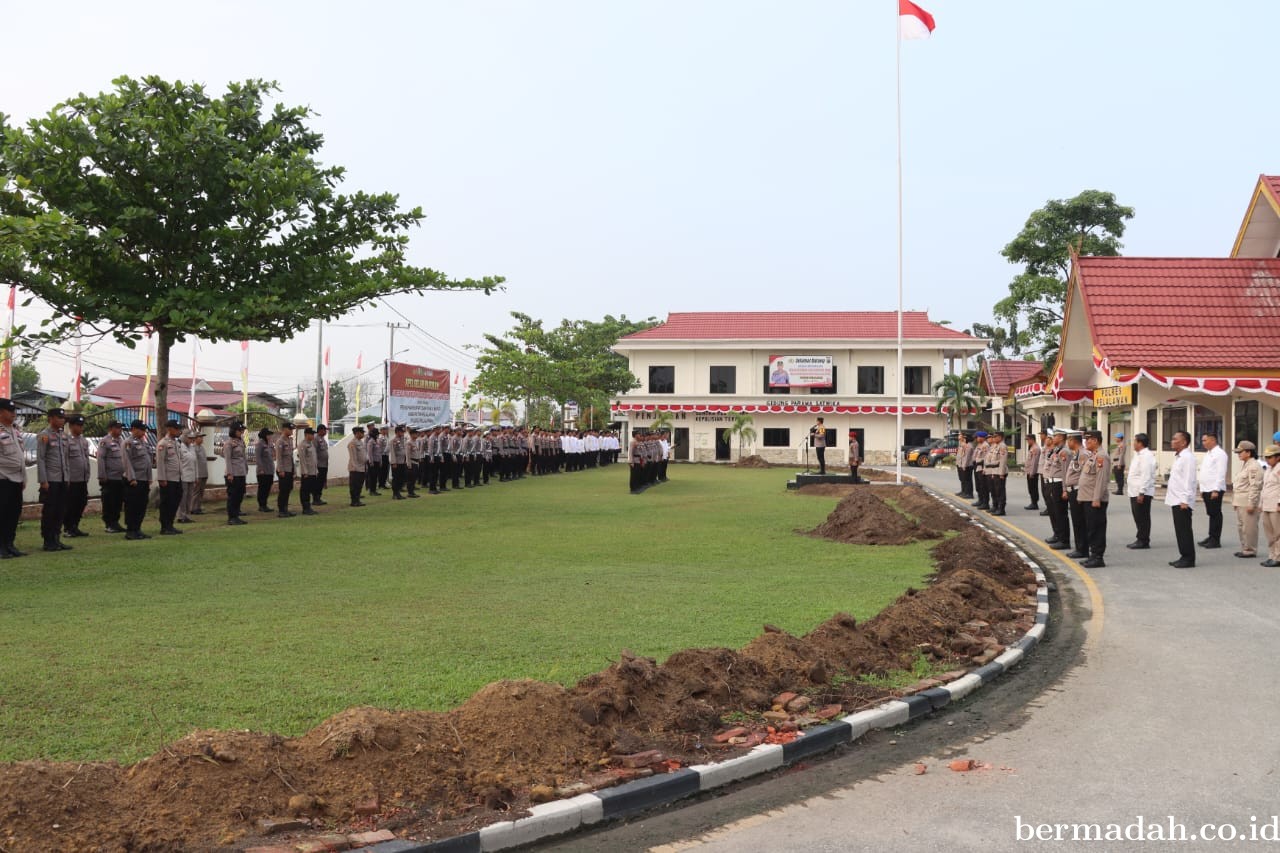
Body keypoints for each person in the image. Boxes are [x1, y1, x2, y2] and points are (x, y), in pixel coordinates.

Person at [36, 407, 73, 552]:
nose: (62, 420)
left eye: (63, 418)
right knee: (50, 511)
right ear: (50, 418)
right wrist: (43, 480)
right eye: (59, 417)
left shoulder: (64, 436)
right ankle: (48, 540)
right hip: (51, 479)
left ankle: (57, 538)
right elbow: (41, 459)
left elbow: (66, 458)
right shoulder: (44, 435)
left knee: (61, 510)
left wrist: (68, 477)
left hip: (63, 479)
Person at [1077, 430, 1110, 568]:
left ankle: (1098, 557)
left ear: (1096, 441)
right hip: (1087, 498)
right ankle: (1093, 555)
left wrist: (1096, 498)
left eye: (1088, 441)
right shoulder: (1093, 456)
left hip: (1094, 500)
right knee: (1090, 528)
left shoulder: (1102, 456)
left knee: (1097, 529)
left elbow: (1101, 480)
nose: (1086, 443)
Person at [1166, 430, 1198, 568]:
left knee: (1184, 530)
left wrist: (1185, 499)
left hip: (1182, 501)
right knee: (1180, 530)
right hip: (1176, 499)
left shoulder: (1187, 458)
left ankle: (1188, 558)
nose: (1172, 441)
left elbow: (1189, 480)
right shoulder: (1179, 457)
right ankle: (1184, 555)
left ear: (1184, 442)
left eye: (1175, 439)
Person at [0, 398, 27, 558]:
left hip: (17, 479)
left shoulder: (15, 430)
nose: (13, 414)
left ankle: (9, 544)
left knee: (13, 513)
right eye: (10, 411)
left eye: (14, 411)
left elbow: (20, 456)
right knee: (2, 513)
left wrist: (24, 477)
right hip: (2, 479)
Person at [1231, 440, 1263, 559]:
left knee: (1249, 527)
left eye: (1240, 452)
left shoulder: (1254, 466)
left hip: (1247, 501)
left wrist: (1252, 503)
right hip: (1240, 501)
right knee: (1241, 526)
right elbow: (1240, 485)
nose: (1238, 454)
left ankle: (1250, 549)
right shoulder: (1246, 464)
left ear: (1248, 452)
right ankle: (1245, 548)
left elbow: (1255, 486)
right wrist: (1235, 501)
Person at [1125, 432, 1156, 550]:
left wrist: (1142, 492)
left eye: (1135, 441)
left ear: (1140, 443)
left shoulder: (1146, 456)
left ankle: (1143, 540)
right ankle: (1140, 537)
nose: (1133, 443)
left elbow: (1146, 475)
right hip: (1134, 491)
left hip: (1141, 492)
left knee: (1142, 516)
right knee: (1138, 516)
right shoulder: (1138, 455)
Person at [97, 420, 129, 534]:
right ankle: (109, 524)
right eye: (117, 427)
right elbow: (100, 459)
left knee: (118, 502)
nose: (120, 430)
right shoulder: (105, 442)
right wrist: (102, 475)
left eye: (121, 427)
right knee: (109, 502)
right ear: (111, 428)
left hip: (120, 477)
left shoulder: (121, 441)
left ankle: (115, 523)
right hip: (110, 477)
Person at [63, 414, 92, 539]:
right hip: (72, 479)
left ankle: (75, 526)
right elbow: (64, 460)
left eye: (82, 425)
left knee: (82, 502)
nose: (81, 428)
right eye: (78, 425)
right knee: (70, 504)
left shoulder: (84, 441)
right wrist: (66, 478)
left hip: (82, 478)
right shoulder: (66, 441)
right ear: (71, 426)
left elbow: (86, 459)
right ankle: (68, 528)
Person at [123, 420, 153, 540]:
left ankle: (137, 529)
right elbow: (127, 462)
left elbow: (147, 462)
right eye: (141, 429)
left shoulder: (143, 443)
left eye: (144, 429)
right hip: (134, 480)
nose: (143, 432)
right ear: (134, 429)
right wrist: (132, 478)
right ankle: (130, 530)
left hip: (144, 479)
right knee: (132, 506)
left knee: (142, 505)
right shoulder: (128, 443)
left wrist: (149, 478)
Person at [155, 419, 185, 535]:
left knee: (175, 502)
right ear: (169, 429)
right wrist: (162, 478)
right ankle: (165, 526)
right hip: (168, 479)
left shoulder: (176, 443)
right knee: (166, 503)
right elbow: (160, 462)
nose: (179, 431)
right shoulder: (163, 444)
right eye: (176, 429)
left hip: (177, 478)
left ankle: (170, 525)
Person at [1198, 432, 1228, 549]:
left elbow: (1221, 472)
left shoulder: (1220, 454)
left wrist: (1216, 489)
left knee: (1215, 514)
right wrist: (1202, 488)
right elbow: (1204, 471)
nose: (1203, 443)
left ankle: (1215, 539)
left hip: (1214, 489)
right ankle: (1211, 536)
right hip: (1207, 488)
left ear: (1213, 440)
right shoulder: (1208, 454)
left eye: (1205, 440)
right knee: (1211, 513)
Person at [1063, 431, 1089, 558]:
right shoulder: (1076, 454)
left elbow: (1084, 475)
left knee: (1079, 521)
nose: (1068, 443)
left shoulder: (1083, 454)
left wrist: (1081, 493)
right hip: (1073, 490)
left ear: (1074, 441)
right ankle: (1080, 547)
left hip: (1078, 490)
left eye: (1069, 440)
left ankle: (1082, 549)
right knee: (1077, 520)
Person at [1041, 430, 1069, 549]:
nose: (1053, 438)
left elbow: (1065, 471)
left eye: (1056, 436)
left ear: (1061, 438)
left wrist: (1064, 489)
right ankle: (1057, 534)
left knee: (1060, 513)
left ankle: (1064, 539)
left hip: (1058, 483)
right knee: (1053, 512)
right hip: (1051, 482)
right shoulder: (1056, 450)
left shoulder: (1064, 452)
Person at [218, 422, 249, 525]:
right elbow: (228, 460)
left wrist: (246, 468)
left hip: (241, 473)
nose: (241, 432)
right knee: (233, 496)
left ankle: (236, 515)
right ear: (234, 431)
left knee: (240, 495)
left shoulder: (241, 442)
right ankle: (231, 517)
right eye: (240, 431)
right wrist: (230, 474)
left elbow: (243, 457)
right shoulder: (229, 443)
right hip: (233, 473)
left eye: (242, 431)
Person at [1260, 445, 1280, 568]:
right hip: (1267, 504)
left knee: (1278, 533)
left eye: (1270, 457)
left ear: (1278, 457)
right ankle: (1272, 555)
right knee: (1269, 533)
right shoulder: (1268, 469)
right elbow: (1265, 487)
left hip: (1276, 505)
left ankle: (1278, 557)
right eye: (1266, 457)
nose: (1267, 459)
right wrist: (1261, 503)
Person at [175, 431, 198, 524]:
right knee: (182, 498)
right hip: (183, 476)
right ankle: (180, 516)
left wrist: (196, 476)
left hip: (191, 476)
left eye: (192, 438)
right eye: (189, 438)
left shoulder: (192, 447)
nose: (191, 440)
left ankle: (187, 515)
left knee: (189, 497)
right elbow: (178, 462)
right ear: (184, 437)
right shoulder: (179, 446)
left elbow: (195, 463)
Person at [275, 422, 296, 517]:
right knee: (283, 490)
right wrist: (281, 470)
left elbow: (291, 457)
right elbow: (278, 457)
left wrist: (293, 469)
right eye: (290, 429)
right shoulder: (280, 441)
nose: (292, 431)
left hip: (289, 468)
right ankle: (281, 510)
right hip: (283, 469)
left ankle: (285, 509)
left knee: (288, 490)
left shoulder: (289, 440)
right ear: (284, 429)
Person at [985, 431, 1008, 516]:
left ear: (1001, 437)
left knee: (1000, 491)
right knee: (995, 490)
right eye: (993, 437)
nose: (994, 438)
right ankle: (996, 506)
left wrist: (1001, 473)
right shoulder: (996, 446)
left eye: (996, 437)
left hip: (999, 472)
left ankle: (1001, 509)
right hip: (995, 471)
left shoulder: (1002, 446)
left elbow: (1003, 460)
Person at [297, 427, 320, 515]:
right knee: (305, 490)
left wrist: (316, 470)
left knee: (310, 490)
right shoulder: (303, 445)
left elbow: (313, 459)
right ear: (307, 435)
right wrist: (305, 472)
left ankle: (308, 507)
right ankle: (305, 508)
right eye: (311, 434)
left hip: (312, 471)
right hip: (307, 473)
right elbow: (302, 460)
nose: (313, 435)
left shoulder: (311, 444)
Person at [255, 427, 275, 512]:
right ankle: (261, 505)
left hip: (269, 470)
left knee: (267, 488)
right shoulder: (260, 444)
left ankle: (265, 504)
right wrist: (261, 469)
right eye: (268, 435)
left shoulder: (269, 444)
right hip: (262, 471)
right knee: (262, 488)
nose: (270, 436)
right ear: (264, 435)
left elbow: (272, 455)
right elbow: (258, 457)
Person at [347, 425, 368, 506]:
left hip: (362, 467)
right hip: (355, 468)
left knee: (359, 485)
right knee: (354, 485)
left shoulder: (360, 442)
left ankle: (357, 499)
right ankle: (354, 501)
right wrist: (355, 467)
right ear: (357, 433)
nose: (363, 434)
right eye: (362, 433)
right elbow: (353, 457)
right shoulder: (352, 443)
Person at [971, 430, 990, 509]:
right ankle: (980, 500)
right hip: (977, 466)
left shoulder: (985, 445)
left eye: (978, 437)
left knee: (983, 486)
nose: (977, 438)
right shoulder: (979, 445)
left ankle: (985, 503)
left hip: (981, 467)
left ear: (982, 437)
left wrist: (984, 468)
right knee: (978, 485)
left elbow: (986, 458)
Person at [1023, 434, 1041, 511]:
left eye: (1028, 440)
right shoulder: (1033, 448)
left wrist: (1032, 472)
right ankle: (1033, 502)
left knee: (1033, 488)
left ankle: (1034, 503)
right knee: (1031, 488)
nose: (1027, 442)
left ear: (1032, 439)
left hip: (1032, 472)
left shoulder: (1035, 448)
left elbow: (1034, 462)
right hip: (1030, 471)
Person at [313, 424, 329, 505]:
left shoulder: (322, 439)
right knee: (318, 482)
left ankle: (319, 497)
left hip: (324, 464)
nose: (326, 431)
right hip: (319, 464)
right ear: (320, 430)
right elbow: (314, 452)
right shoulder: (315, 438)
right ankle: (315, 499)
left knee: (321, 481)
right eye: (324, 430)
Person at [365, 426, 383, 495]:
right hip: (372, 462)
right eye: (377, 434)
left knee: (375, 477)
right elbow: (369, 453)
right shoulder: (370, 442)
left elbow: (379, 452)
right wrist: (371, 462)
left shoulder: (377, 441)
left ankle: (374, 490)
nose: (378, 435)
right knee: (371, 477)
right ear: (373, 434)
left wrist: (380, 461)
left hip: (377, 461)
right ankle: (371, 491)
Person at [954, 433, 973, 498]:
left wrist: (963, 465)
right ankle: (964, 491)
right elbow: (960, 455)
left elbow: (966, 457)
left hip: (967, 465)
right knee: (962, 479)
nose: (959, 438)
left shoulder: (968, 446)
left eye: (963, 438)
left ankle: (969, 493)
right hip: (961, 464)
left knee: (967, 480)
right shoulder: (961, 445)